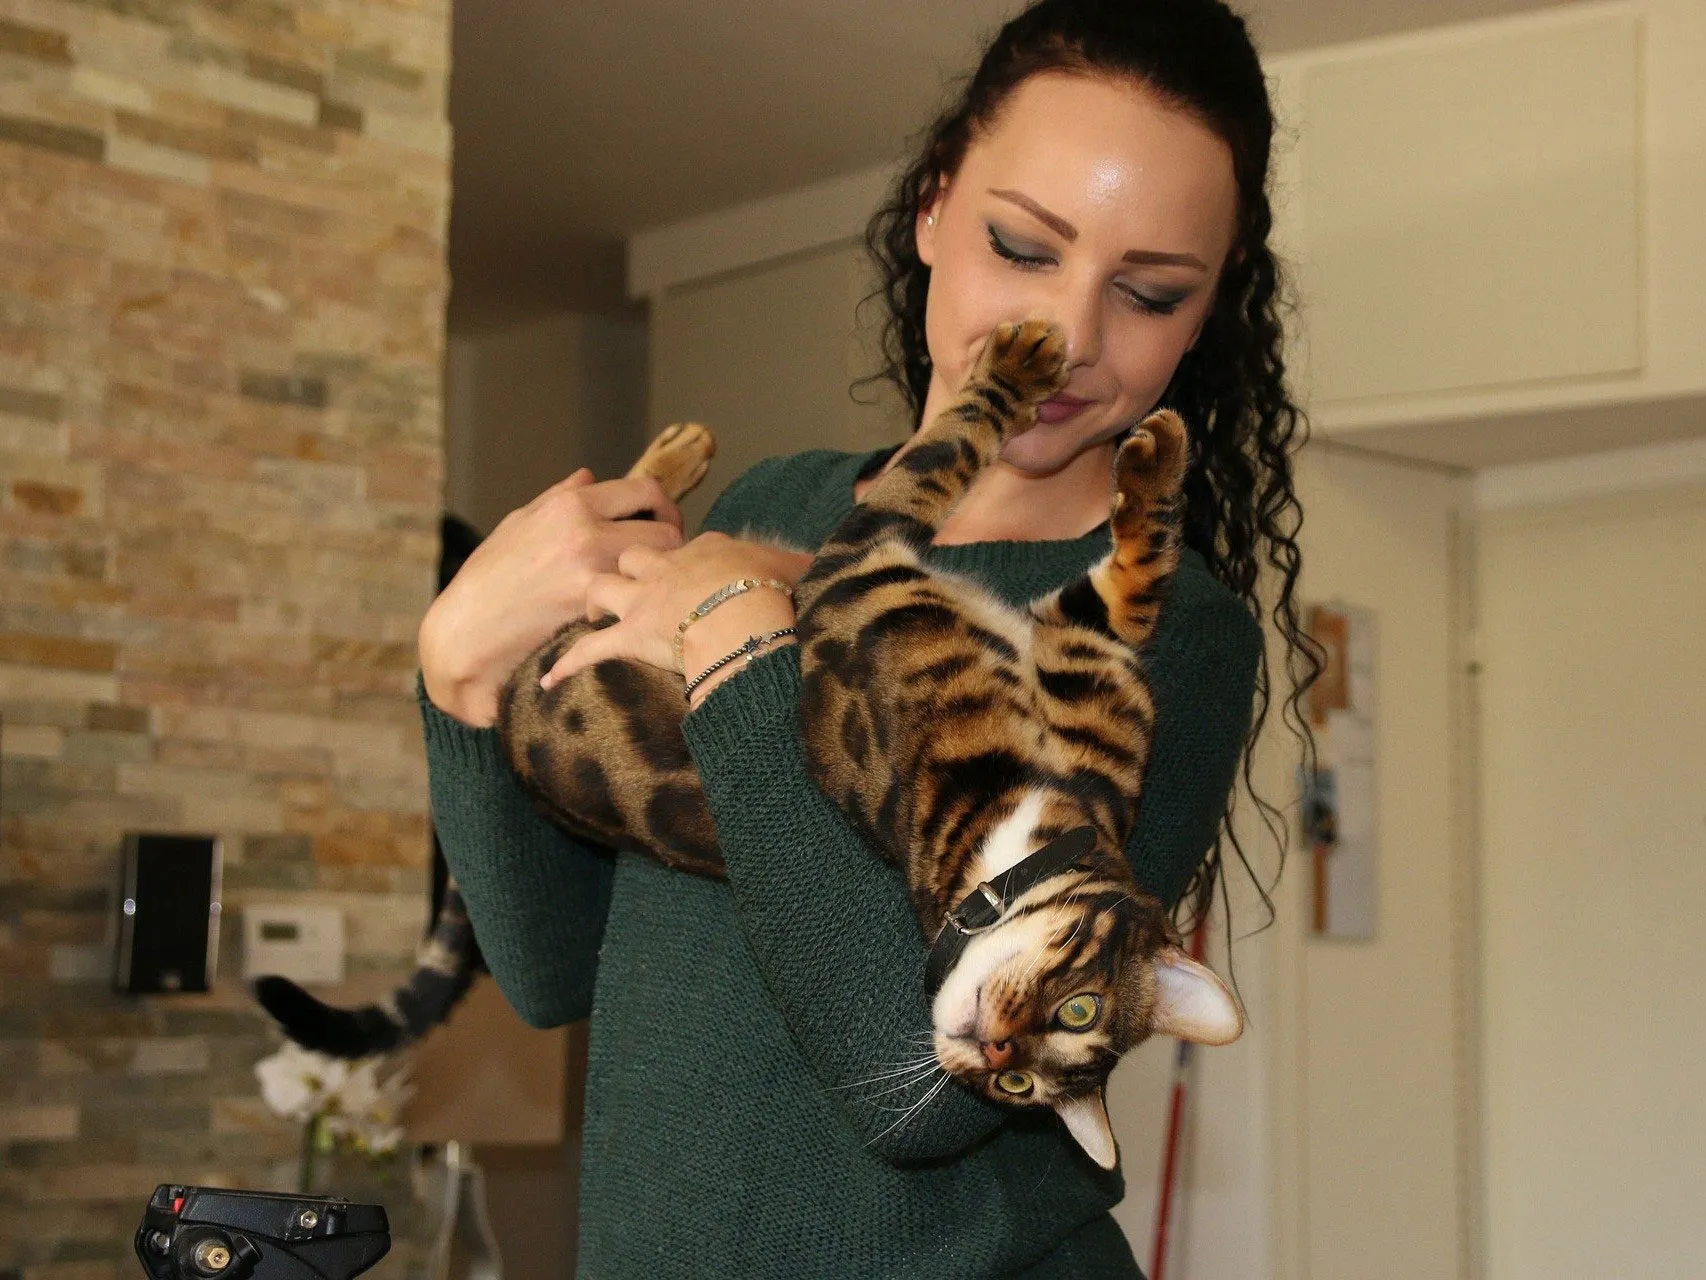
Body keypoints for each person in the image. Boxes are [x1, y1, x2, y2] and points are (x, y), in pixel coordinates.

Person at [416, 0, 1314, 1274]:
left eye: (1149, 292)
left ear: (1205, 311)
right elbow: (558, 970)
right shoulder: (771, 506)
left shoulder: (1164, 625)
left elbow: (935, 1088)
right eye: (1021, 245)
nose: (1064, 335)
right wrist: (456, 671)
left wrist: (737, 637)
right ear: (934, 208)